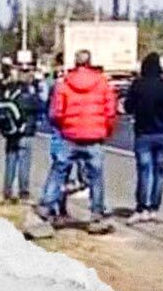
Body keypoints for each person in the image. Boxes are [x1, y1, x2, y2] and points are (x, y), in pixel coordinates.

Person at [37, 49, 117, 223]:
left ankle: (46, 205)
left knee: (59, 170)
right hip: (94, 136)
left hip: (70, 135)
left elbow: (56, 112)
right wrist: (106, 131)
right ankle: (96, 212)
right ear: (90, 63)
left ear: (75, 63)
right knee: (95, 175)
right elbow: (110, 111)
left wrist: (63, 126)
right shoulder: (102, 83)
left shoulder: (64, 83)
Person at [124, 53, 163, 223]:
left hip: (143, 133)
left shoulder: (137, 85)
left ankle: (141, 207)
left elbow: (128, 107)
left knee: (144, 171)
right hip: (161, 133)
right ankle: (154, 208)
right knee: (159, 171)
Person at [0, 71, 41, 204]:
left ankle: (7, 191)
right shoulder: (30, 95)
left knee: (10, 162)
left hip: (11, 132)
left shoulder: (8, 93)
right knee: (24, 164)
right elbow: (39, 106)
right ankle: (23, 192)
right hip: (26, 132)